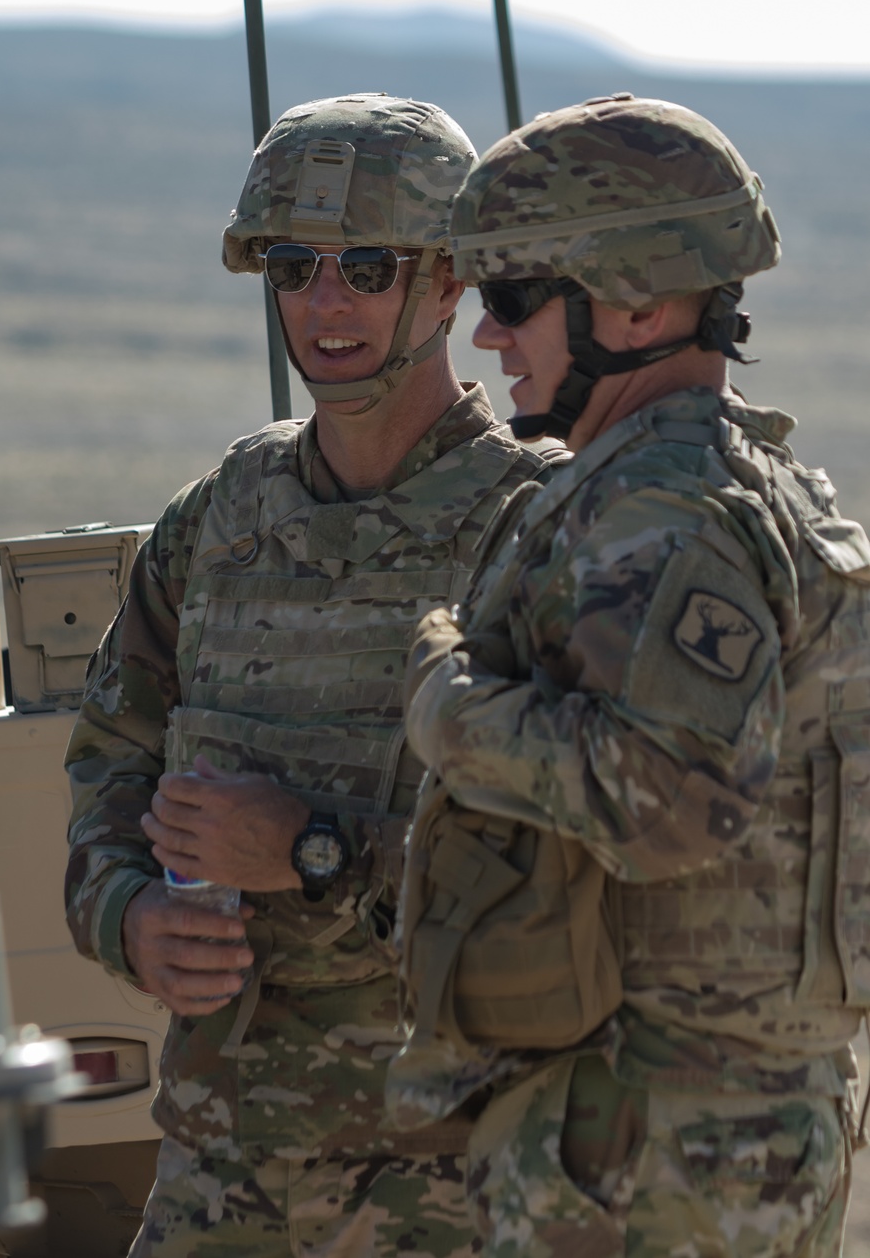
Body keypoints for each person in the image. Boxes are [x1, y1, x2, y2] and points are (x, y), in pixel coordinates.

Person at [64, 92, 568, 1258]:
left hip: (448, 1183)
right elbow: (109, 763)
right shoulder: (220, 522)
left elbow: (575, 881)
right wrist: (130, 917)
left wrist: (314, 849)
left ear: (450, 282)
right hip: (219, 1167)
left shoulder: (538, 529)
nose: (325, 302)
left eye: (367, 267)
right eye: (293, 265)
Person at [394, 93, 870, 1257]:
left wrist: (451, 713)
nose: (488, 340)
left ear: (642, 303)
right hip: (702, 1131)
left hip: (648, 1146)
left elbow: (667, 800)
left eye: (512, 300)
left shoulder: (663, 515)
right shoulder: (738, 486)